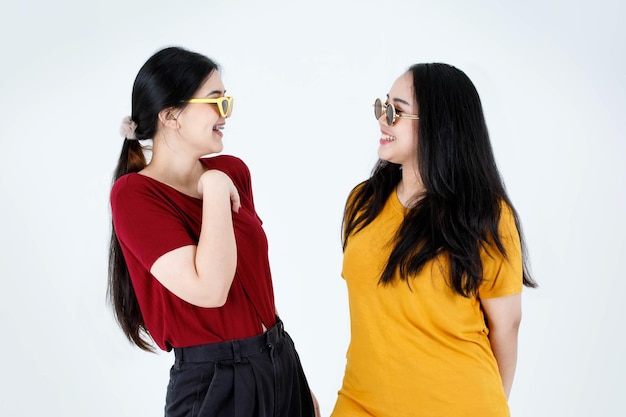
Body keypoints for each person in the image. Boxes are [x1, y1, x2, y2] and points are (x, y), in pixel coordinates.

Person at [108, 46, 319, 417]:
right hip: (215, 382)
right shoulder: (135, 195)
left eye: (227, 100)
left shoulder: (234, 170)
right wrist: (216, 189)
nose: (227, 112)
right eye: (215, 101)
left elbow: (252, 284)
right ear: (171, 116)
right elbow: (211, 288)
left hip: (279, 359)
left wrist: (296, 382)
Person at [330, 63, 537, 417]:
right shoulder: (363, 203)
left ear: (438, 125)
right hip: (359, 402)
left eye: (397, 111)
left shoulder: (486, 215)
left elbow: (507, 325)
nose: (383, 119)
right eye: (383, 107)